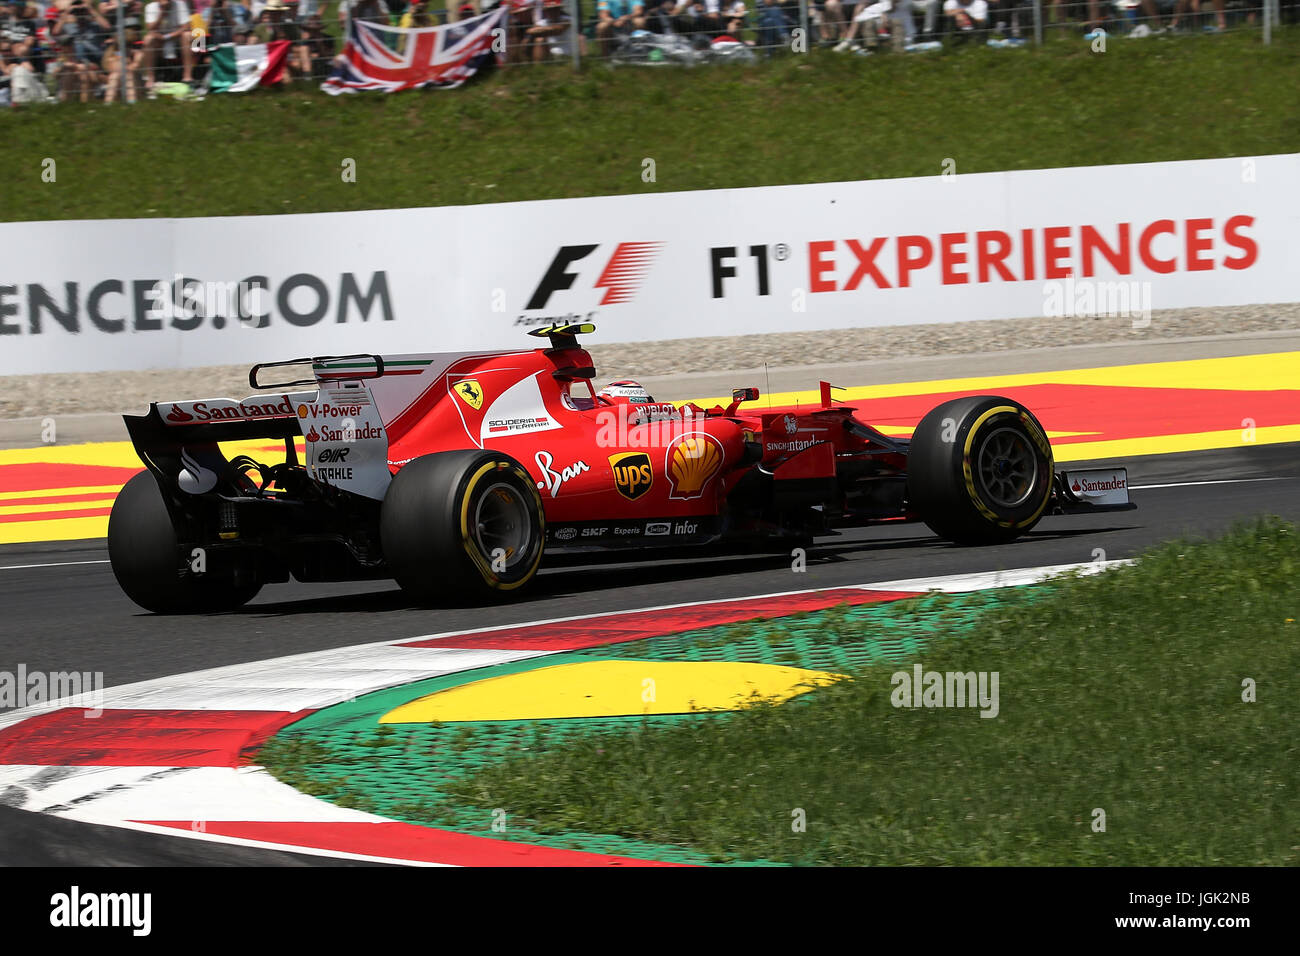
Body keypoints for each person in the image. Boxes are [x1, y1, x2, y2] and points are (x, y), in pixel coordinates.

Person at [143, 0, 194, 88]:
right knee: (148, 39)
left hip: (176, 36)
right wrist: (162, 13)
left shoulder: (180, 4)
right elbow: (151, 28)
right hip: (159, 38)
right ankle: (150, 78)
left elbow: (186, 27)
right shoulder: (150, 7)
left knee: (187, 35)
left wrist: (167, 37)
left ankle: (187, 76)